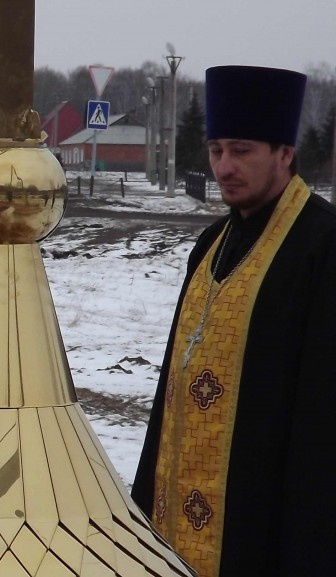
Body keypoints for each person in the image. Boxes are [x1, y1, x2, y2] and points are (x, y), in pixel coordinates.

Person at [132, 65, 336, 577]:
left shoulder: (323, 246)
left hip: (264, 526)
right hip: (179, 522)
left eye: (242, 150)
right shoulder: (211, 245)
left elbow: (322, 419)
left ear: (284, 153)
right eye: (216, 149)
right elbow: (170, 389)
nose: (225, 166)